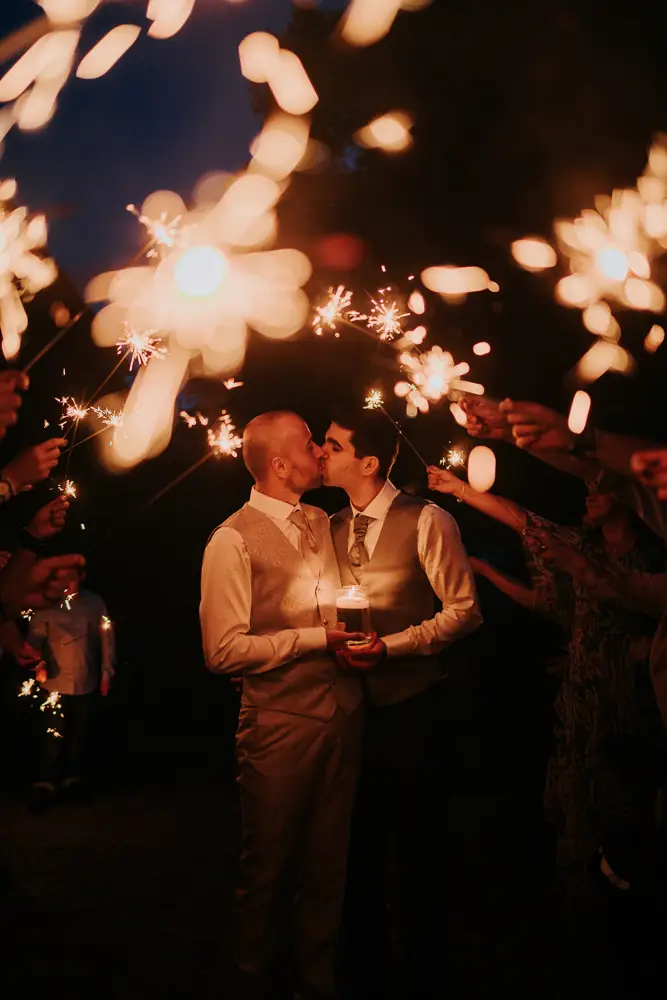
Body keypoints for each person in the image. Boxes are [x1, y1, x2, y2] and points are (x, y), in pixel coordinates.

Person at [428, 464, 664, 891]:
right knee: (581, 786)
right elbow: (521, 519)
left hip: (637, 689)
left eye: (602, 487)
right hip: (585, 683)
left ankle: (635, 886)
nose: (590, 492)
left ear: (632, 498)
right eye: (588, 484)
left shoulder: (653, 558)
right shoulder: (582, 545)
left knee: (630, 789)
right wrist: (459, 487)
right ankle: (584, 886)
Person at [200, 411, 365, 1000]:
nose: (319, 451)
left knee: (328, 866)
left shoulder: (321, 519)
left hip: (342, 717)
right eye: (308, 443)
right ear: (278, 464)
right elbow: (222, 652)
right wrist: (314, 640)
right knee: (267, 868)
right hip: (278, 727)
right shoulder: (231, 540)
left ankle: (316, 980)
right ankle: (252, 979)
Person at [322, 405, 481, 999]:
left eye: (333, 446)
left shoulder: (428, 520)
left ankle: (425, 975)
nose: (321, 454)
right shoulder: (328, 526)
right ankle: (360, 974)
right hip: (348, 710)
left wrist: (391, 647)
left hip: (415, 707)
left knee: (417, 847)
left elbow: (465, 612)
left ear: (368, 462)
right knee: (353, 846)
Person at [26, 565, 115, 811]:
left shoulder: (94, 603)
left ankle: (71, 779)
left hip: (85, 679)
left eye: (71, 579)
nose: (66, 585)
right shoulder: (46, 605)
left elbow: (107, 638)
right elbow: (34, 640)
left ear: (82, 577)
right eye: (61, 579)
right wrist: (38, 663)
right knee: (52, 735)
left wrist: (107, 671)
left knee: (78, 733)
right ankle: (46, 782)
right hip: (54, 683)